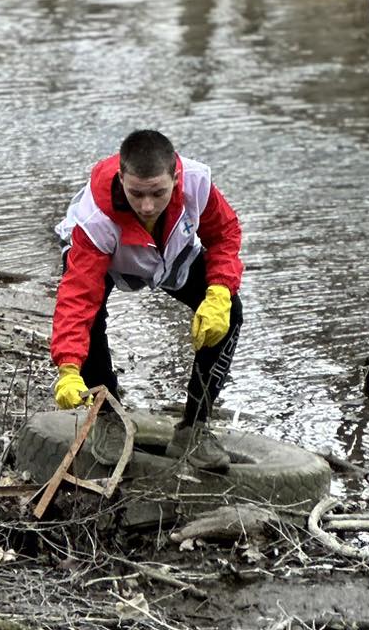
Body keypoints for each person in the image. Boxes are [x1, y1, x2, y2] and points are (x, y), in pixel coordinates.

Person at [48, 127, 243, 474]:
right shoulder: (95, 219)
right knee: (91, 320)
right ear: (122, 178)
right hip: (108, 257)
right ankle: (107, 417)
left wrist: (219, 291)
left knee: (231, 311)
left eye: (158, 193)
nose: (147, 205)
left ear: (176, 177)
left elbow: (224, 233)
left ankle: (194, 428)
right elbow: (78, 297)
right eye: (136, 194)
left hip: (168, 252)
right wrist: (68, 367)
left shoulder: (197, 183)